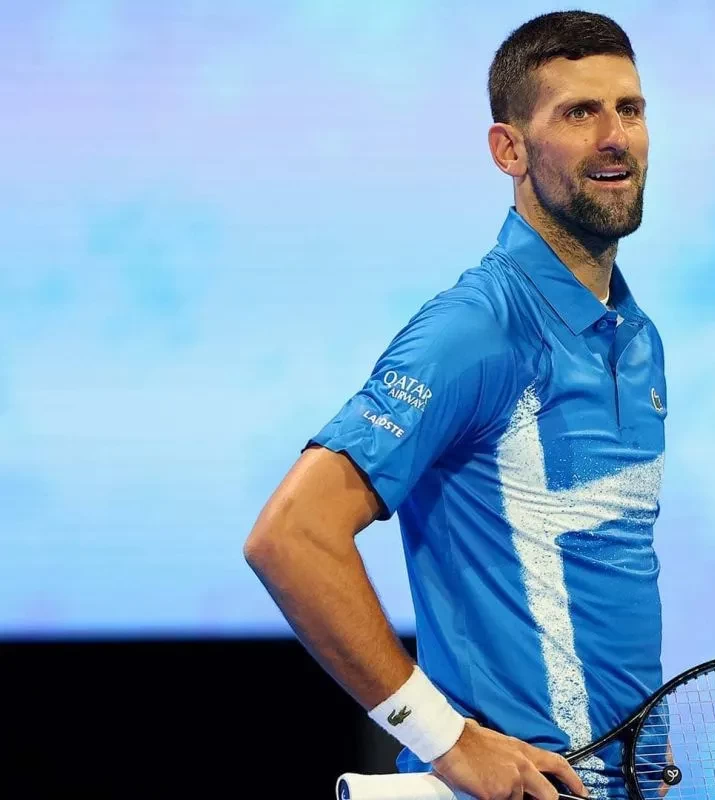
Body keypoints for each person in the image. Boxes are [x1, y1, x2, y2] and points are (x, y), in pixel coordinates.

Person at [244, 11, 667, 800]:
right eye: (580, 113)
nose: (616, 138)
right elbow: (291, 537)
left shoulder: (637, 338)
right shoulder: (477, 329)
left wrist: (643, 767)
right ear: (509, 150)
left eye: (630, 109)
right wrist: (448, 740)